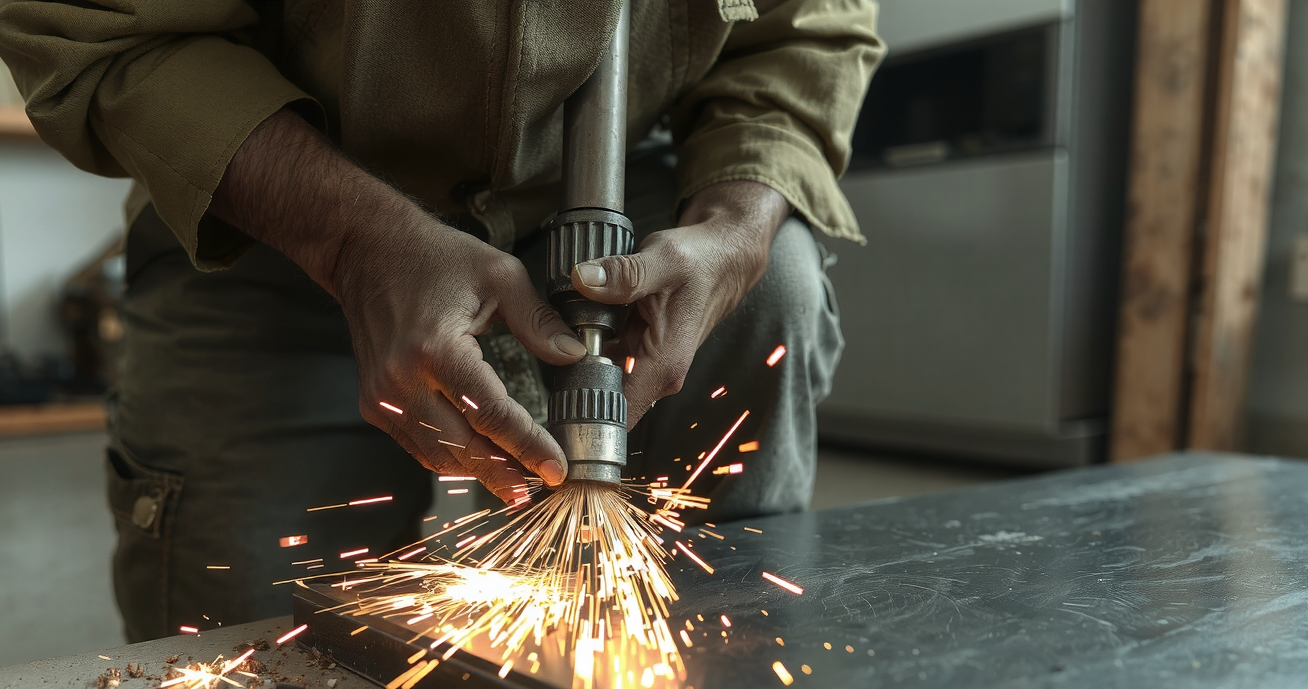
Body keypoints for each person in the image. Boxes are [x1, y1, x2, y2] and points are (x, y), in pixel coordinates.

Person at [0, 0, 883, 641]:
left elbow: (805, 32)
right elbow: (103, 31)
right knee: (252, 646)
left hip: (624, 183)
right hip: (268, 194)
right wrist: (352, 241)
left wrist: (738, 219)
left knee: (775, 282)